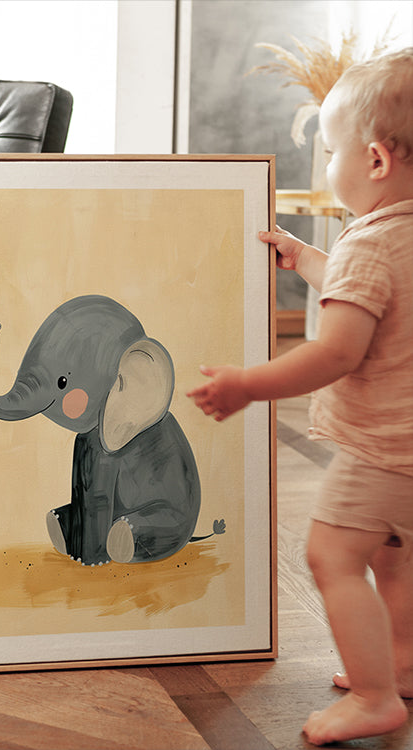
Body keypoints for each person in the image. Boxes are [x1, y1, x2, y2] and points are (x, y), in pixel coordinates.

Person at [187, 48, 413, 746]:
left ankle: (374, 696)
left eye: (330, 152)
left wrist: (247, 385)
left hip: (378, 450)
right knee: (395, 555)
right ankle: (403, 663)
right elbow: (372, 297)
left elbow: (337, 350)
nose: (328, 166)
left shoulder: (369, 245)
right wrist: (306, 257)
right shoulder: (397, 240)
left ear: (374, 160)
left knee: (331, 555)